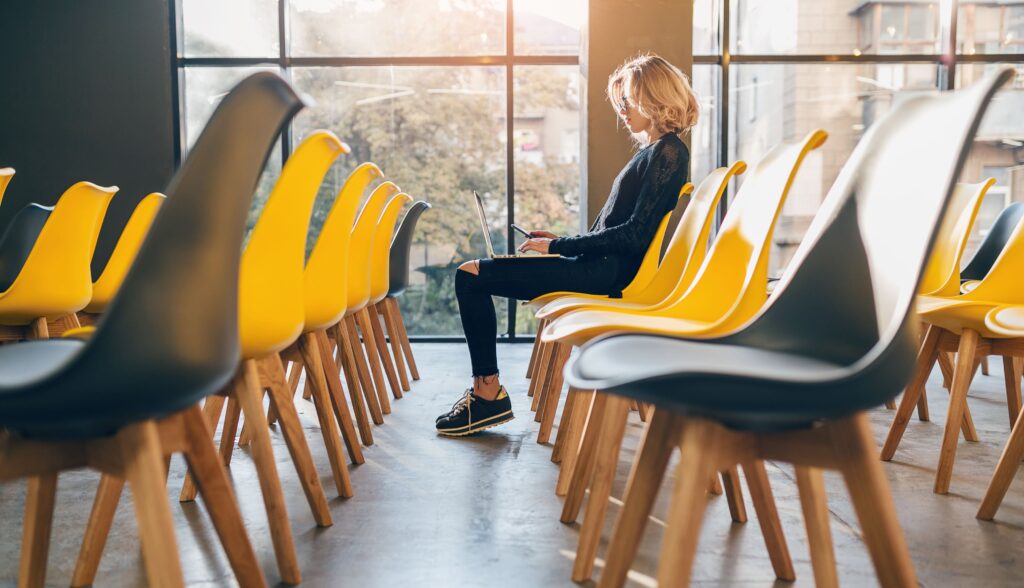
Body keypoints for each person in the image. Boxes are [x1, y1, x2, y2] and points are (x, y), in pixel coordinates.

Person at [435, 53, 699, 436]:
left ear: (652, 97)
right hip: (596, 266)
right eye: (620, 102)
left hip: (602, 273)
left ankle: (487, 396)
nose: (622, 110)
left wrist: (559, 249)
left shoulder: (669, 153)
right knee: (472, 274)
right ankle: (486, 393)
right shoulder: (656, 152)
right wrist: (559, 242)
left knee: (470, 275)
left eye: (627, 100)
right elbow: (616, 228)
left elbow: (633, 235)